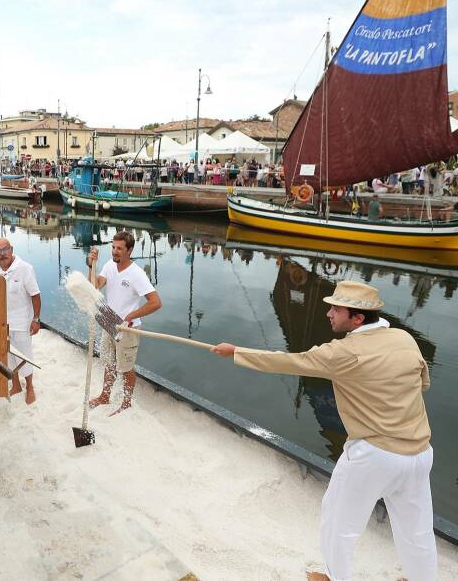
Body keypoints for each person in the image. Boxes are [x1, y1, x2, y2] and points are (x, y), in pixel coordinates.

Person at [210, 281, 436, 581]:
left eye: (336, 309)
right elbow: (422, 382)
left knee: (339, 519)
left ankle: (332, 576)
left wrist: (236, 351)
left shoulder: (343, 352)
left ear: (357, 318)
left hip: (375, 455)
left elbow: (290, 362)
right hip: (420, 453)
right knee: (417, 529)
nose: (328, 313)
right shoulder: (404, 338)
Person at [86, 231, 162, 415]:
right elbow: (94, 286)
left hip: (128, 327)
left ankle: (127, 402)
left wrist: (131, 315)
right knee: (109, 363)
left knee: (126, 368)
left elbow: (156, 302)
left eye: (119, 248)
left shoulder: (137, 274)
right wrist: (91, 266)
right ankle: (105, 396)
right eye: (113, 247)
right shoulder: (109, 266)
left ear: (129, 250)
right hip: (108, 320)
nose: (115, 252)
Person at [0, 238, 41, 404]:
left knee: (24, 354)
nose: (2, 254)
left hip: (22, 320)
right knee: (8, 354)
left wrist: (36, 319)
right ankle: (16, 385)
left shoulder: (25, 268)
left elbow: (35, 295)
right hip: (2, 321)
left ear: (11, 249)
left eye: (5, 249)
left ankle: (30, 387)